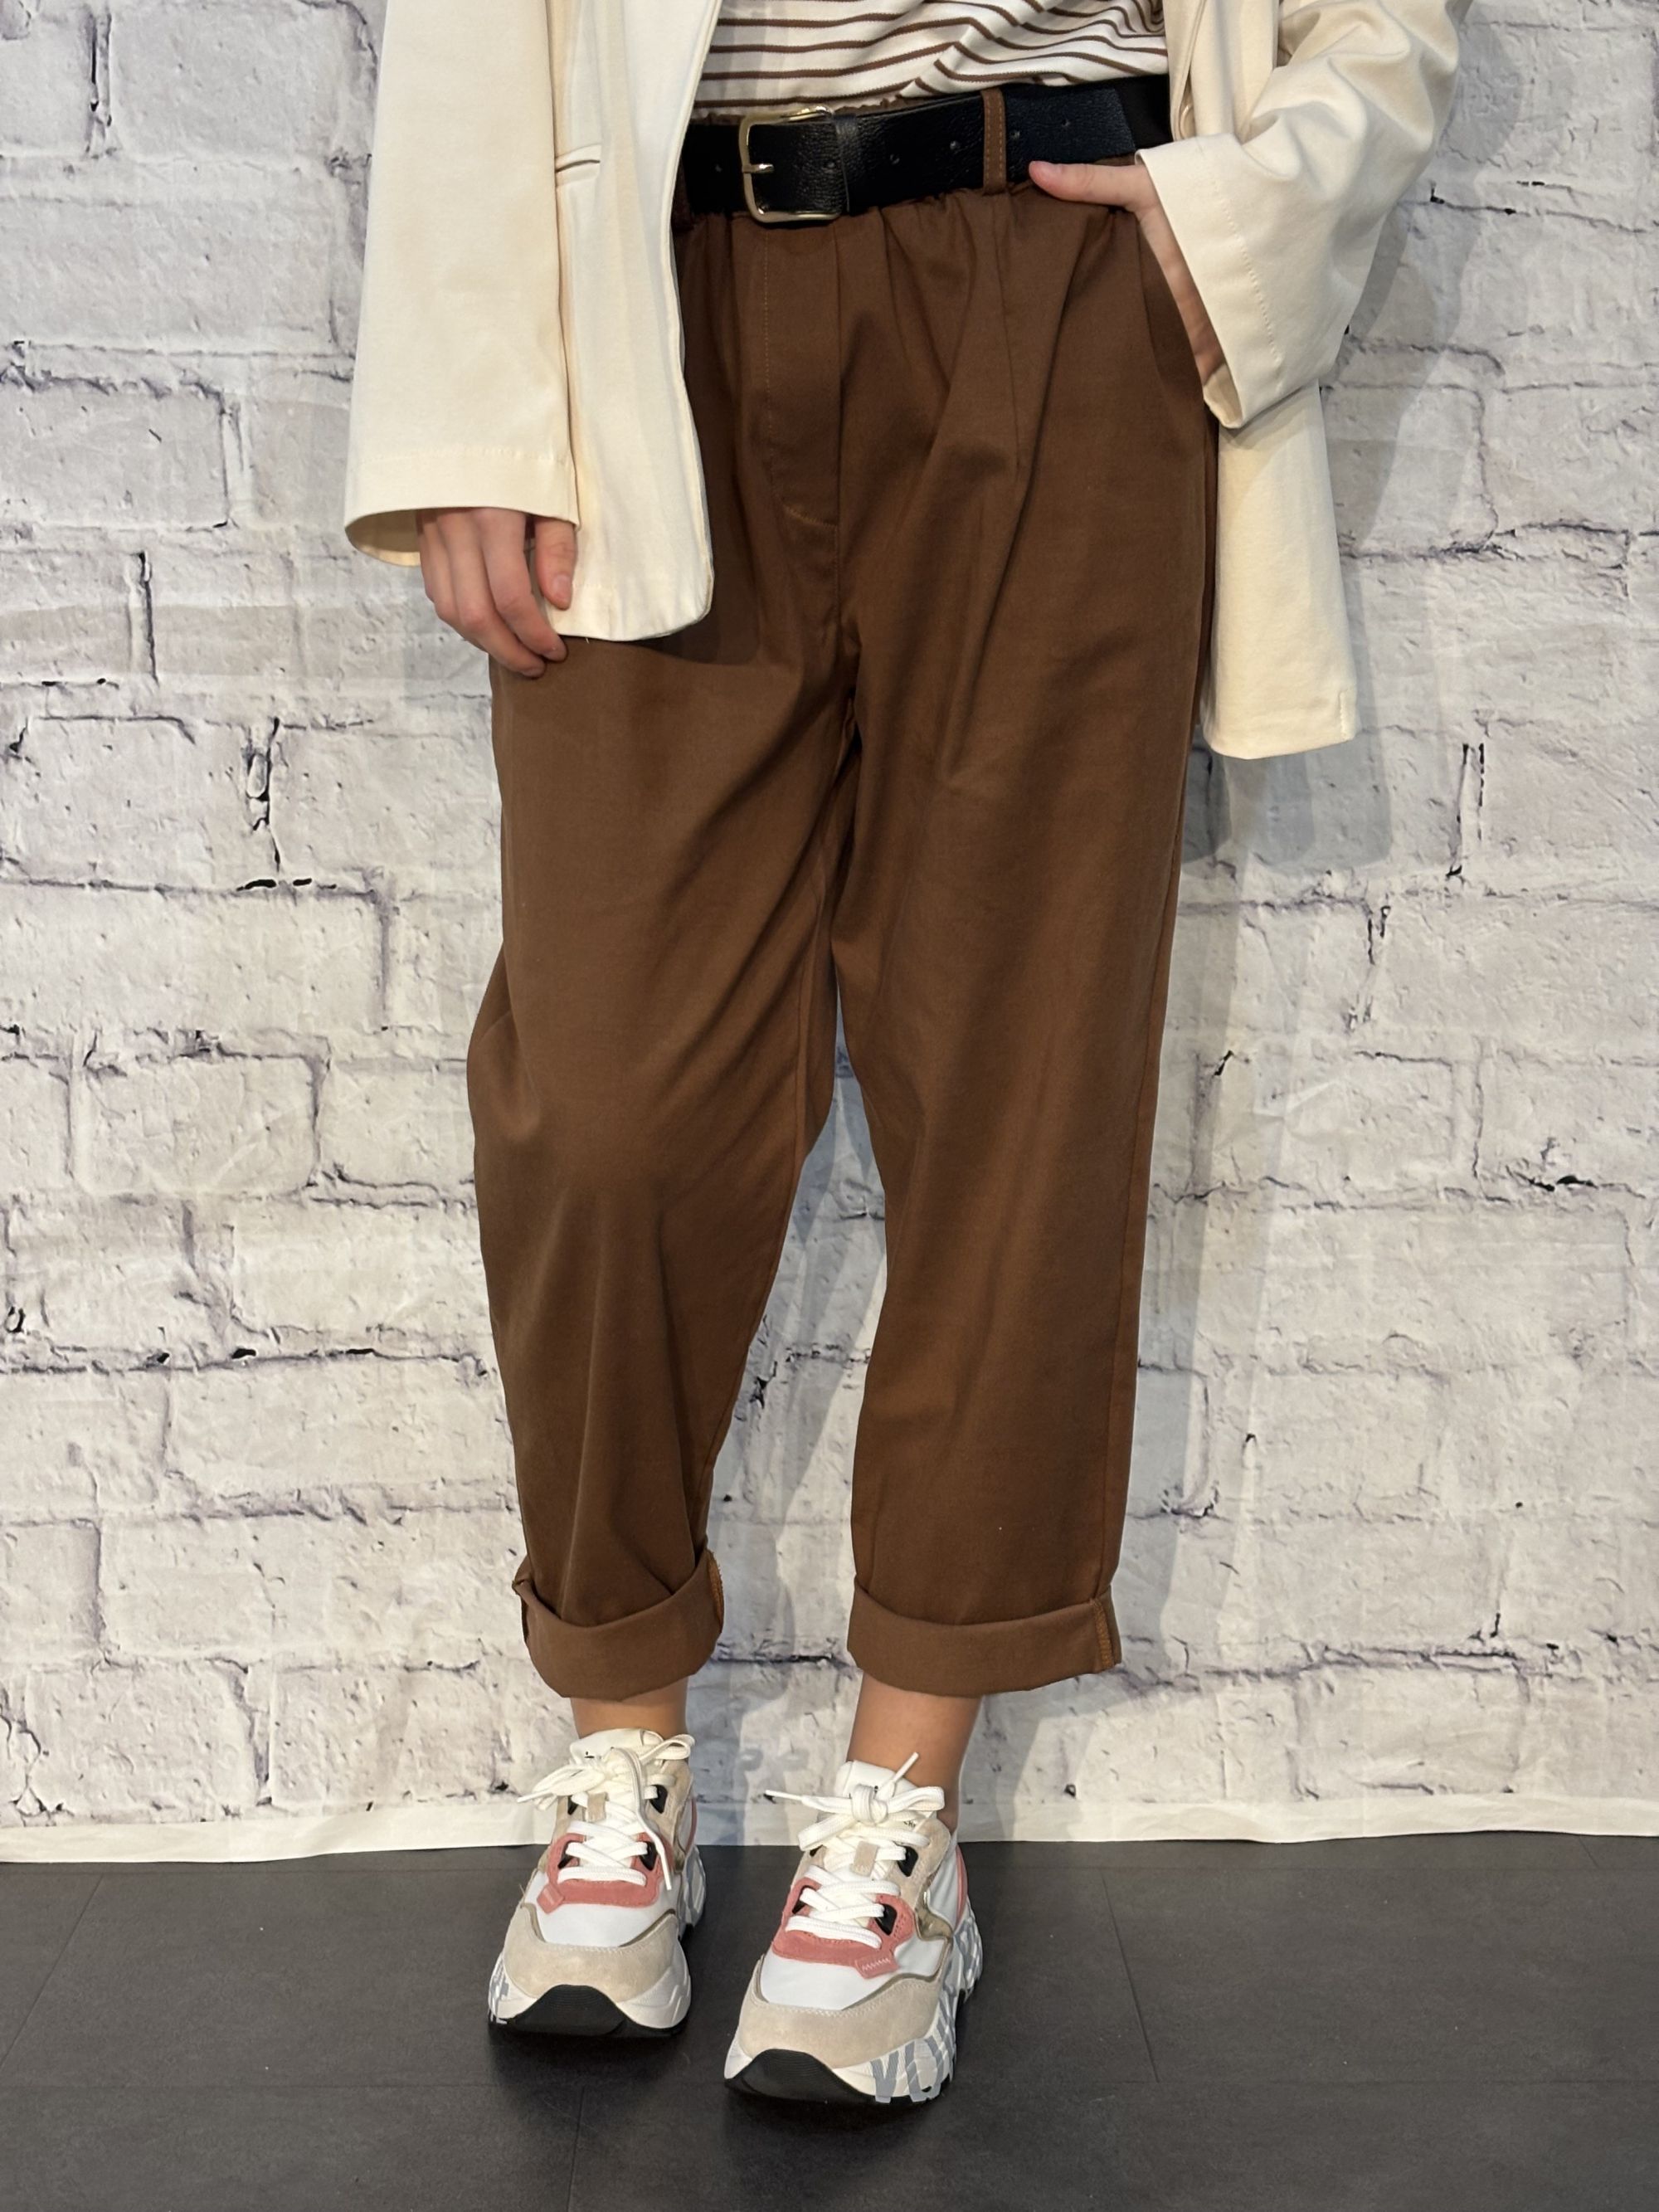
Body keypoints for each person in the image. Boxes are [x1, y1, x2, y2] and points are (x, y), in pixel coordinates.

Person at [343, 0, 1460, 2107]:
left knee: (1017, 1075)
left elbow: (1387, 23)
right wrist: (466, 399)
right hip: (657, 290)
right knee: (606, 1098)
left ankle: (896, 1819)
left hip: (1058, 268)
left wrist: (1231, 214)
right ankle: (622, 1745)